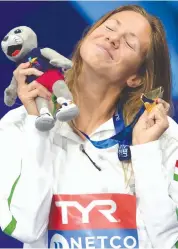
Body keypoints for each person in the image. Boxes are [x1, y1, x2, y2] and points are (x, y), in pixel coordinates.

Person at [0, 4, 178, 249]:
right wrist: (38, 129)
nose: (113, 38)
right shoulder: (17, 127)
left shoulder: (163, 137)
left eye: (129, 43)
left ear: (135, 78)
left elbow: (170, 242)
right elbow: (25, 227)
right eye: (109, 28)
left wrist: (145, 152)